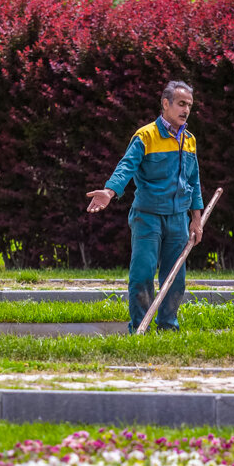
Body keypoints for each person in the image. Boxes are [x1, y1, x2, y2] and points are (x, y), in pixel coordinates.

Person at [86, 81, 204, 333]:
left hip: (178, 220)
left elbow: (194, 181)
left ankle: (168, 327)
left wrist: (196, 218)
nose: (186, 110)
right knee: (142, 275)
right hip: (147, 217)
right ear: (166, 104)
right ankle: (140, 327)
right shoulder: (146, 136)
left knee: (176, 278)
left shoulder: (189, 140)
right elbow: (126, 167)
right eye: (181, 104)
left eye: (189, 105)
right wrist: (109, 191)